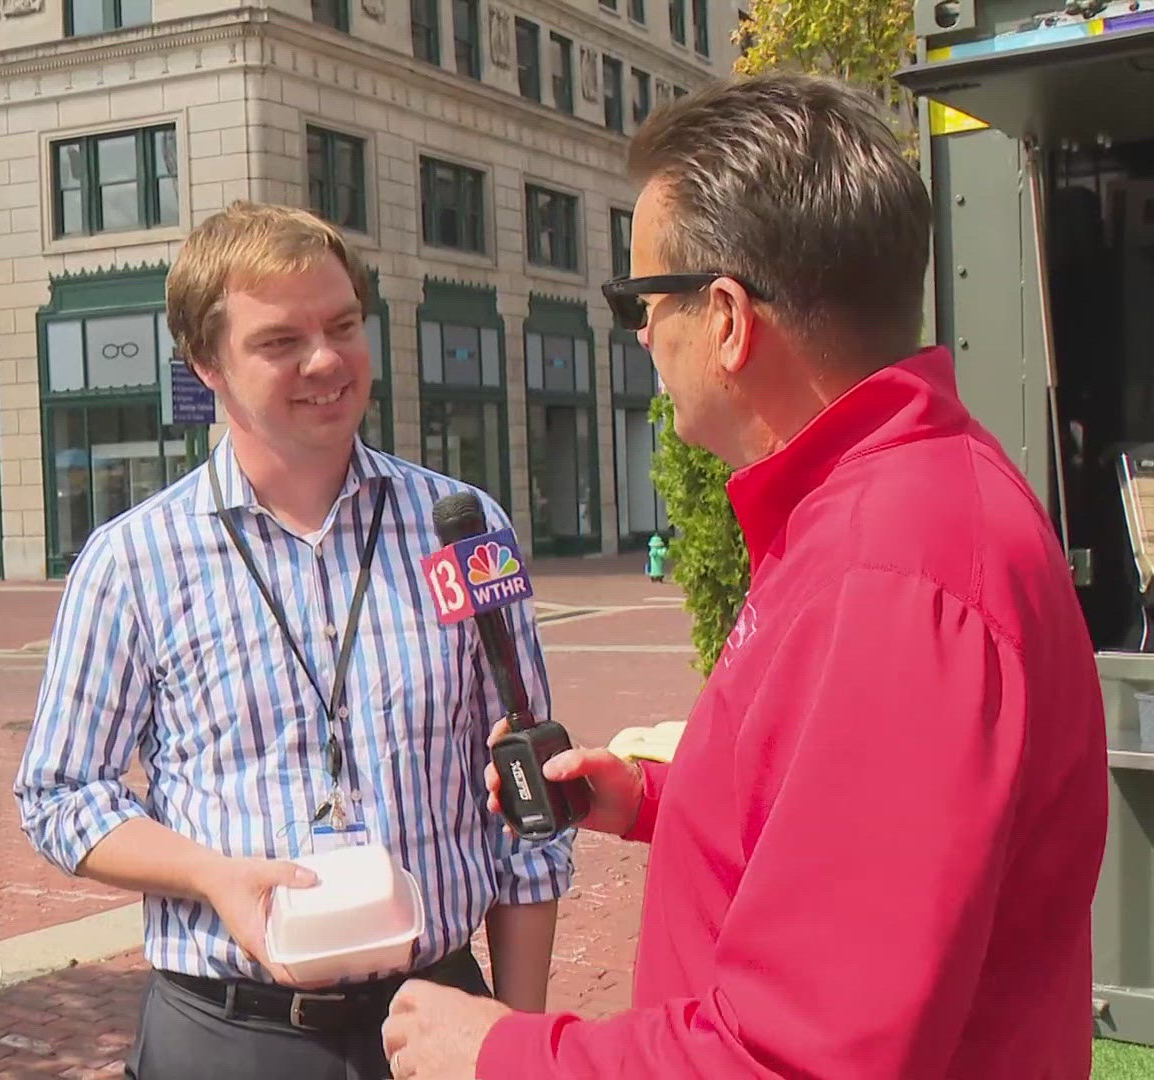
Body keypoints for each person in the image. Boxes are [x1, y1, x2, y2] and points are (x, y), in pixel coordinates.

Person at [381, 72, 1108, 1079]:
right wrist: (650, 801)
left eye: (641, 299)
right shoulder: (880, 510)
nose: (639, 334)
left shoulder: (893, 571)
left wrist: (501, 1052)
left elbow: (805, 1055)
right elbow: (857, 847)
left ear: (725, 317)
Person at [15, 202, 573, 1080]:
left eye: (344, 325)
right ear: (207, 363)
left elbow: (527, 796)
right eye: (280, 342)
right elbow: (58, 794)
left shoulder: (462, 529)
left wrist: (517, 1036)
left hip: (437, 1012)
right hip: (228, 1033)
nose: (326, 362)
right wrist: (210, 875)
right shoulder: (133, 561)